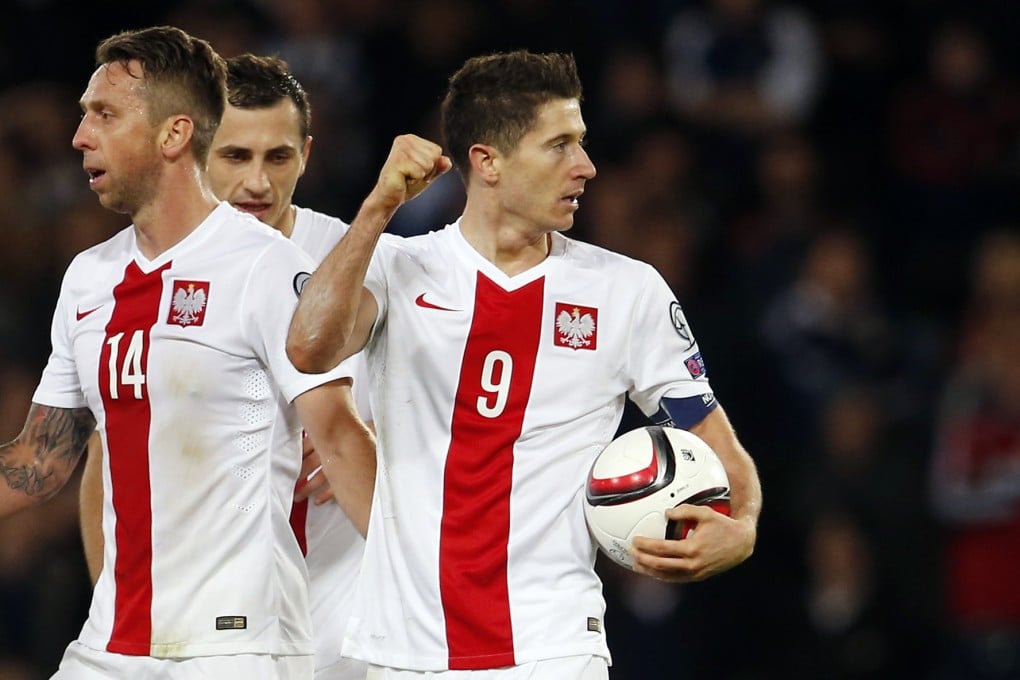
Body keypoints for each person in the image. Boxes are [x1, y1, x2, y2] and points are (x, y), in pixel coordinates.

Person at [287, 50, 762, 677]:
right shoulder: (399, 269)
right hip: (405, 652)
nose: (586, 166)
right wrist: (378, 207)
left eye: (581, 142)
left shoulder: (627, 292)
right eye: (559, 145)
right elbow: (309, 347)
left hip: (552, 647)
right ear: (488, 162)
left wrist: (743, 526)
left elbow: (711, 434)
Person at [0, 26, 374, 679]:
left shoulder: (266, 268)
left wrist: (438, 607)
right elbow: (41, 459)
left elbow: (341, 441)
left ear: (173, 135)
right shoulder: (89, 277)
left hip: (236, 646)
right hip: (114, 644)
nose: (80, 136)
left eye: (104, 115)